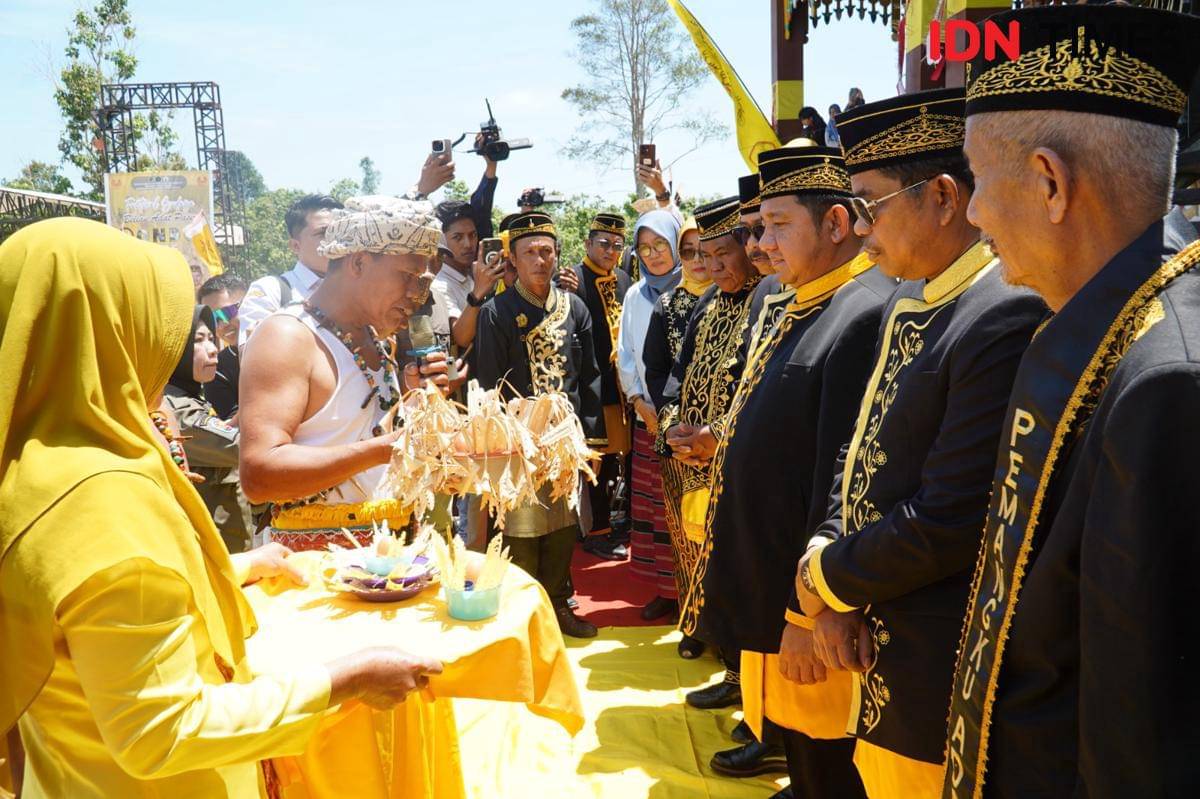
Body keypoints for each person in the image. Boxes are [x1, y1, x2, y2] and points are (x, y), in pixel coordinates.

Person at [0, 218, 444, 797]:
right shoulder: (103, 500)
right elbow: (162, 731)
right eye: (161, 324)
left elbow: (88, 611)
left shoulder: (36, 467)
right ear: (111, 332)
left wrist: (234, 568)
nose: (177, 348)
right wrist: (346, 680)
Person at [941, 7, 1200, 797]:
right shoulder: (1103, 319)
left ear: (1051, 183)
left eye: (980, 180)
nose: (974, 212)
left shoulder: (1167, 382)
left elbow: (1143, 744)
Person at [791, 88, 1045, 798]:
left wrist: (824, 580)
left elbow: (951, 516)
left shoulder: (1002, 311)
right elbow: (860, 449)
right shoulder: (914, 295)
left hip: (937, 655)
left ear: (940, 195)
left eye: (870, 205)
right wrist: (829, 570)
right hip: (874, 634)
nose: (861, 229)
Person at [238, 196, 454, 551]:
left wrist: (415, 399)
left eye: (422, 281)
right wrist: (385, 449)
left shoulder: (374, 338)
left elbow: (351, 428)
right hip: (316, 576)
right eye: (407, 276)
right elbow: (260, 475)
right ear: (357, 263)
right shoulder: (288, 336)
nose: (417, 295)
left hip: (390, 561)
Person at [474, 211, 604, 639]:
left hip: (564, 443)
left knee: (564, 529)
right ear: (512, 257)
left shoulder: (576, 308)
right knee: (521, 533)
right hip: (517, 443)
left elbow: (589, 378)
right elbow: (489, 384)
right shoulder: (497, 312)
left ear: (556, 254)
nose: (539, 260)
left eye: (546, 251)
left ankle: (556, 607)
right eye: (529, 252)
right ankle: (522, 619)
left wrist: (591, 442)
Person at [659, 196, 763, 710]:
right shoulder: (705, 303)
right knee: (698, 554)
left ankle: (751, 686)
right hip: (690, 460)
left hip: (735, 461)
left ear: (748, 248)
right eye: (704, 254)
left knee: (736, 567)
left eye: (724, 254)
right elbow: (679, 371)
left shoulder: (765, 303)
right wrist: (673, 419)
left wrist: (715, 435)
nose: (713, 265)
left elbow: (757, 389)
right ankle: (726, 663)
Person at [638, 217, 709, 661]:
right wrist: (670, 426)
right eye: (690, 252)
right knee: (685, 537)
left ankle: (730, 630)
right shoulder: (669, 303)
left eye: (708, 250)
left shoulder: (749, 298)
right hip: (679, 440)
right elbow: (657, 370)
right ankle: (695, 623)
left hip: (725, 445)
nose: (699, 261)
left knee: (724, 538)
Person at [617, 209, 684, 623]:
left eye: (661, 244)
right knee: (655, 508)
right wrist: (639, 401)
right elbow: (626, 353)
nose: (655, 255)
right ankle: (666, 591)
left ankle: (693, 591)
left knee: (684, 509)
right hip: (647, 418)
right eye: (645, 247)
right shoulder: (634, 294)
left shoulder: (698, 287)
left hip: (687, 423)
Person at [164, 305, 257, 554]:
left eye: (211, 339)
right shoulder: (178, 410)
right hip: (215, 556)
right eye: (198, 340)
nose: (214, 348)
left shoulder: (190, 397)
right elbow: (243, 447)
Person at [570, 213, 633, 561]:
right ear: (588, 244)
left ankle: (614, 521)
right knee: (596, 460)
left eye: (617, 246)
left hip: (622, 388)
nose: (610, 251)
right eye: (604, 244)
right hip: (589, 385)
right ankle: (597, 530)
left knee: (617, 459)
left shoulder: (625, 278)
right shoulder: (572, 279)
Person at [238, 194, 344, 348]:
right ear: (295, 246)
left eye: (342, 231)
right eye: (324, 233)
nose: (336, 241)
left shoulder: (363, 288)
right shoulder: (270, 291)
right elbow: (251, 358)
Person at [197, 274, 248, 420]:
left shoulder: (289, 337)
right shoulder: (217, 370)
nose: (222, 325)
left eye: (226, 313)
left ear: (249, 303)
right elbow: (233, 427)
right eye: (213, 319)